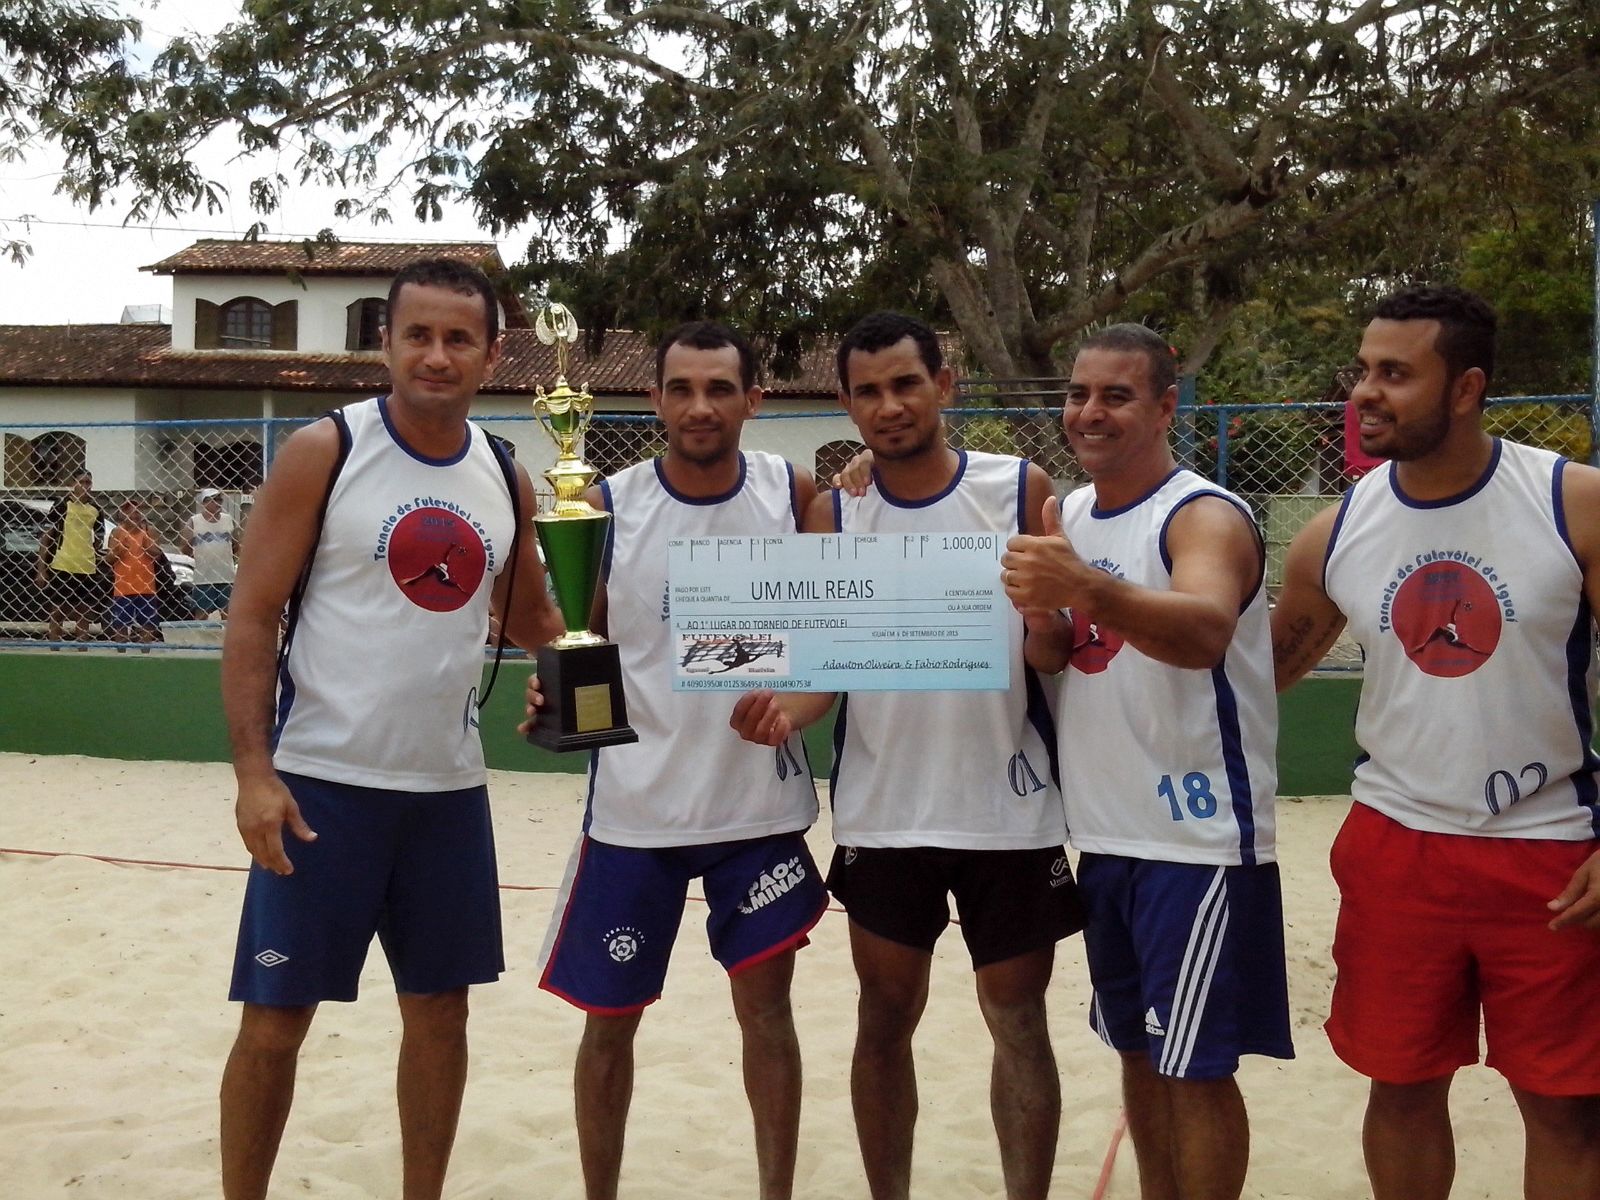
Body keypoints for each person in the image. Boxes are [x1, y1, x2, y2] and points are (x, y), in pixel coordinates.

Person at [218, 257, 563, 1200]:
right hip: (321, 785)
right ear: (387, 343)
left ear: (492, 354)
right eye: (419, 334)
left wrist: (587, 672)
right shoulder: (324, 451)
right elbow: (252, 615)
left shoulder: (506, 473)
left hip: (447, 793)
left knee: (441, 1016)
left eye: (459, 338)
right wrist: (255, 771)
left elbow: (533, 619)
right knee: (275, 1021)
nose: (437, 355)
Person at [732, 311, 1081, 1200]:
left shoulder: (1018, 489)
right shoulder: (835, 509)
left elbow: (1049, 653)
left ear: (945, 384)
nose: (889, 405)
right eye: (869, 391)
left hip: (1008, 809)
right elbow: (823, 667)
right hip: (887, 814)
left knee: (1017, 1023)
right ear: (846, 402)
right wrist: (782, 714)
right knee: (884, 1023)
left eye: (905, 384)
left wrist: (1046, 622)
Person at [1271, 285, 1600, 1200]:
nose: (1365, 393)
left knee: (1566, 1109)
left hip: (1551, 855)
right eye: (1364, 371)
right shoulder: (1336, 533)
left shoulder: (1572, 503)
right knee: (1403, 1086)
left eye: (1394, 374)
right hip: (1396, 847)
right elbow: (1264, 672)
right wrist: (1113, 601)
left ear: (1466, 388)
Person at [524, 321, 828, 1200]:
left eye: (720, 389)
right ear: (654, 398)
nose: (701, 406)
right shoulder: (603, 503)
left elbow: (830, 633)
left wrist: (796, 696)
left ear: (753, 401)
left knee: (768, 1017)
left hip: (757, 811)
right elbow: (578, 639)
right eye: (682, 389)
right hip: (636, 812)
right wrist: (555, 689)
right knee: (609, 1025)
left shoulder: (792, 491)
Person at [999, 323, 1292, 1200]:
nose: (1090, 412)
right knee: (1139, 1048)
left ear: (1166, 407)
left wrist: (1081, 587)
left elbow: (1202, 632)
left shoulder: (1202, 514)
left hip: (1194, 842)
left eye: (1116, 396)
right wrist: (1044, 621)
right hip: (1109, 835)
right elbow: (1061, 655)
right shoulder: (1075, 514)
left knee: (1195, 1068)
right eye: (1080, 393)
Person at [35, 470, 104, 647]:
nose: (85, 486)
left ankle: (81, 650)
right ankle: (54, 648)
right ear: (74, 483)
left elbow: (99, 539)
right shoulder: (61, 505)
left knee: (83, 612)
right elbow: (46, 537)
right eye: (81, 482)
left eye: (88, 482)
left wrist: (92, 555)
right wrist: (41, 569)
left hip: (86, 567)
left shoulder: (96, 510)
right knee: (57, 611)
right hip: (62, 564)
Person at [105, 497, 163, 649]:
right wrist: (119, 550)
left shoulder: (149, 531)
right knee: (121, 625)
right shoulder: (117, 532)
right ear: (123, 515)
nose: (134, 514)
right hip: (123, 587)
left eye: (137, 511)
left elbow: (158, 553)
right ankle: (121, 653)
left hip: (146, 587)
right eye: (129, 511)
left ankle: (145, 652)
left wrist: (147, 547)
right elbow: (109, 559)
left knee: (147, 625)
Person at [183, 487, 237, 619]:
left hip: (226, 576)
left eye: (220, 500)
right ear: (205, 502)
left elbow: (235, 544)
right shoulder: (194, 521)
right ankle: (199, 638)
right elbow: (185, 548)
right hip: (204, 578)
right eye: (214, 500)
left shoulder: (227, 519)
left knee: (228, 614)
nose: (218, 503)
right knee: (202, 614)